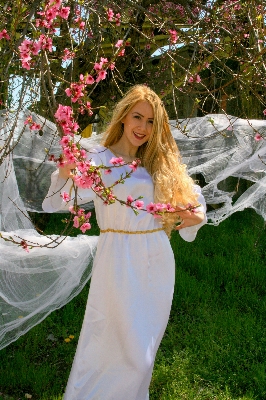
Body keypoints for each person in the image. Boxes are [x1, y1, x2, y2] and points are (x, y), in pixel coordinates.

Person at [42, 84, 207, 400]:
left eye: (150, 122)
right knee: (110, 341)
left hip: (157, 256)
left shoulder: (157, 163)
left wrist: (196, 214)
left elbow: (192, 197)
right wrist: (65, 169)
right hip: (117, 257)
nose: (142, 128)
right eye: (137, 117)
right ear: (123, 117)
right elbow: (60, 199)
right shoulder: (99, 159)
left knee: (143, 351)